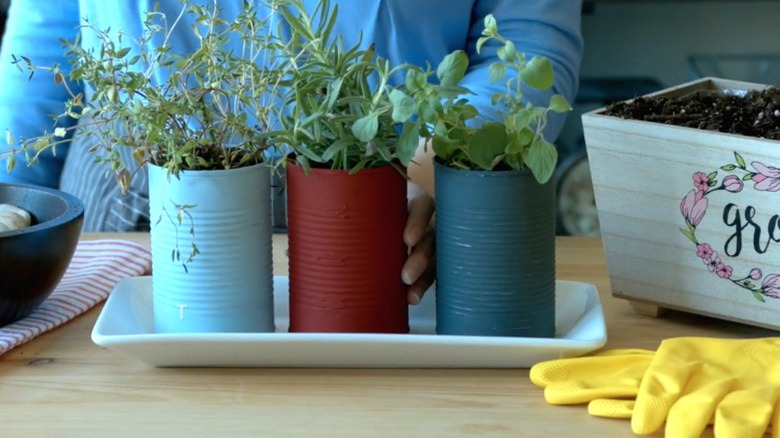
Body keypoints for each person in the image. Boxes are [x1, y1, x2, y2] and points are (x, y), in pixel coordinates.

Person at [0, 0, 583, 305]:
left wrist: (442, 171)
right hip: (137, 196)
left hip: (387, 195)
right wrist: (11, 205)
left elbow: (528, 42)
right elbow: (46, 35)